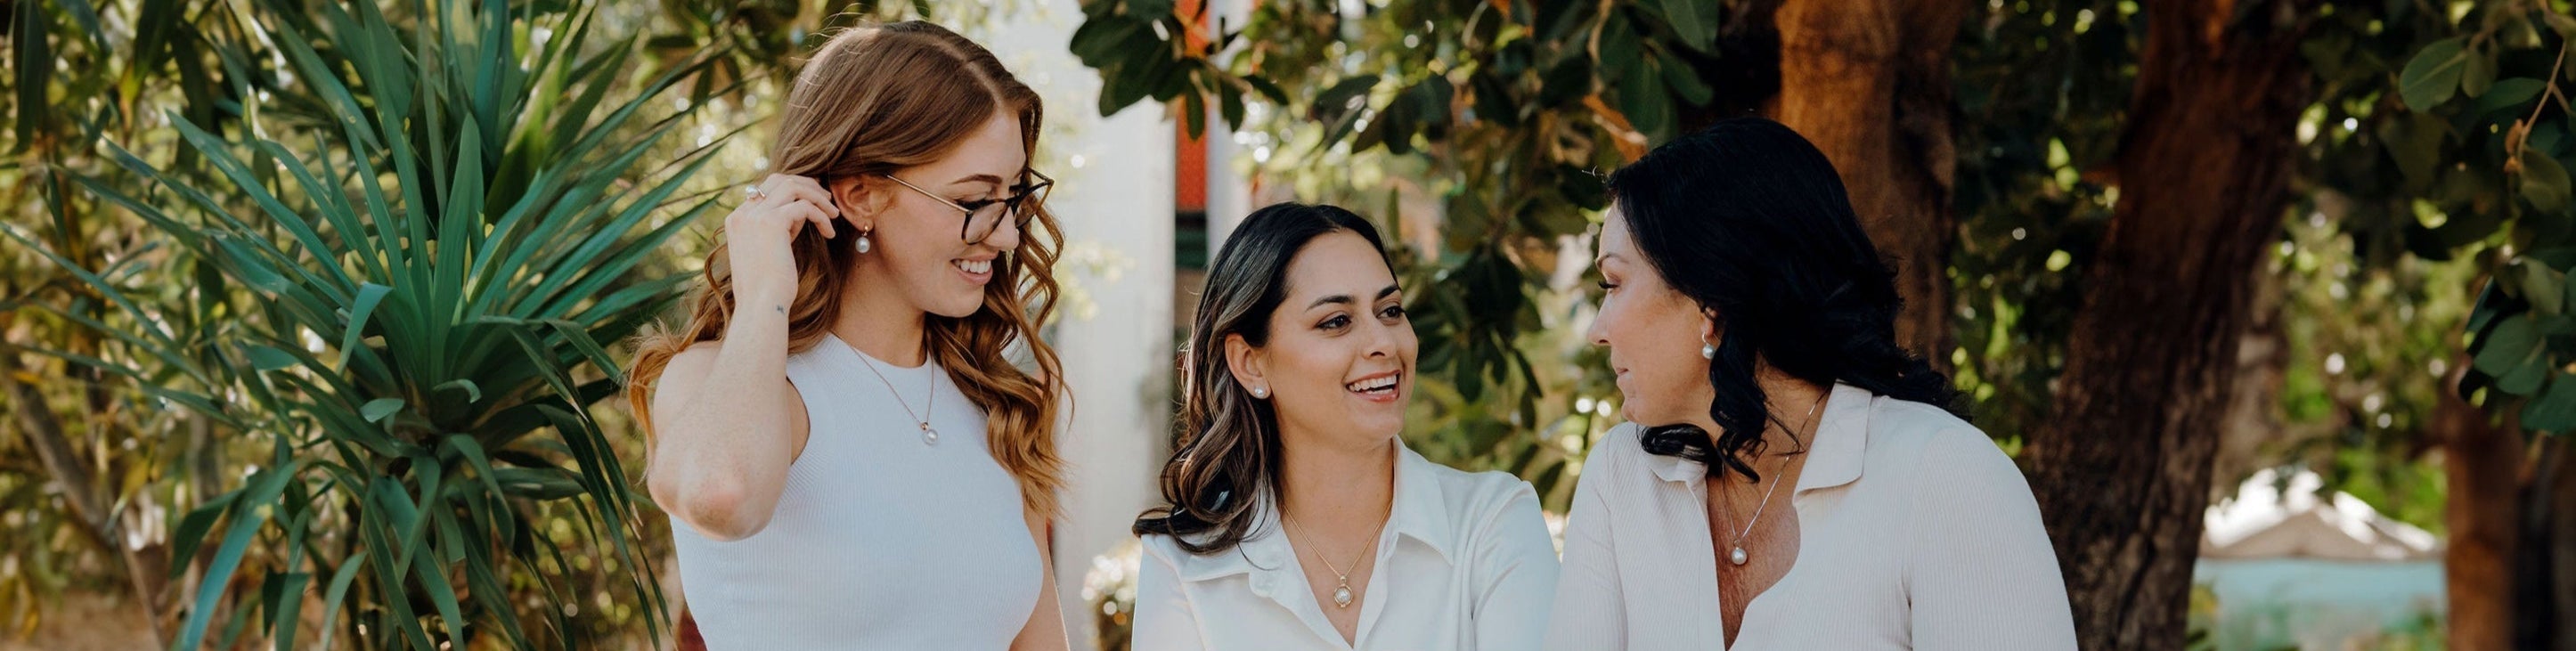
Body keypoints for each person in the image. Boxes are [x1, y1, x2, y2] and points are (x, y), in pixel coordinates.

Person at [1544, 118, 2077, 650]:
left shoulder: (1945, 474)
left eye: (1613, 284)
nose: (1598, 331)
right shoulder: (1623, 476)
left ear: (1710, 302)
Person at [625, 20, 1070, 650]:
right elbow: (720, 496)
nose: (1007, 235)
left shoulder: (1001, 408)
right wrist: (763, 296)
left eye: (1014, 195)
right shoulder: (721, 381)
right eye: (976, 199)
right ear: (860, 196)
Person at [1129, 203, 1560, 650]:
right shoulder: (1182, 566)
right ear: (1250, 363)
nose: (1383, 343)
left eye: (1390, 310)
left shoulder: (1493, 523)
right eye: (1336, 321)